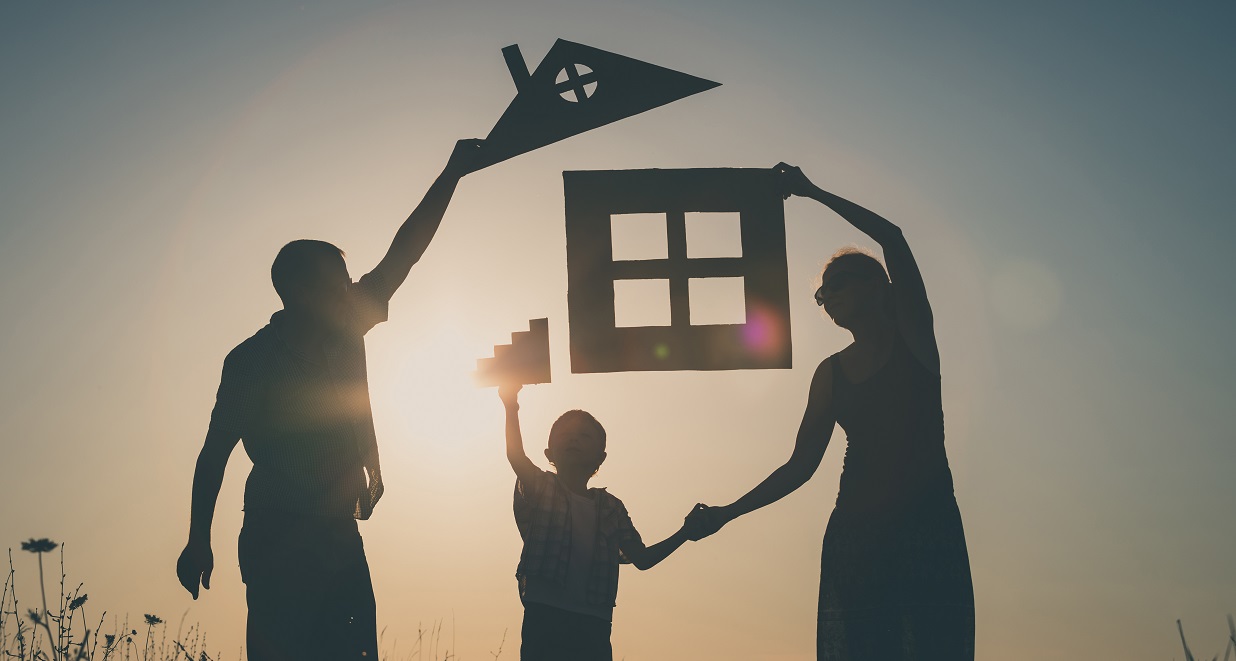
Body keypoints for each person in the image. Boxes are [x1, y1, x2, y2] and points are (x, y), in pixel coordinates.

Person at [175, 138, 485, 661]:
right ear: (297, 291)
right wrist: (197, 539)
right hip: (277, 530)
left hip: (338, 531)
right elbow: (214, 453)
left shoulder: (346, 324)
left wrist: (453, 173)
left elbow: (404, 252)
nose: (350, 290)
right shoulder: (251, 362)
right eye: (338, 282)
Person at [688, 163, 975, 660]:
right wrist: (727, 513)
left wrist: (810, 191)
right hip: (856, 538)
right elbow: (800, 466)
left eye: (838, 283)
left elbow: (894, 237)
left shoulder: (915, 342)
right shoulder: (829, 374)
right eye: (822, 294)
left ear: (878, 285)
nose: (828, 298)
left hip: (927, 527)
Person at [498, 384, 695, 661]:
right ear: (549, 454)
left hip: (595, 621)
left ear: (600, 458)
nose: (574, 440)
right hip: (544, 612)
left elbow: (643, 558)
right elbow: (515, 455)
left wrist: (685, 533)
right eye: (565, 436)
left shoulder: (611, 508)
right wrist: (511, 404)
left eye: (584, 436)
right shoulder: (541, 487)